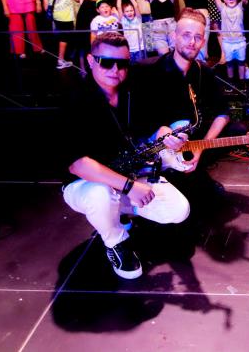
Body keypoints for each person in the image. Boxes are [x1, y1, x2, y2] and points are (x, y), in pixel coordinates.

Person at [61, 32, 190, 279]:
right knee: (100, 195)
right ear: (90, 60)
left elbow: (155, 128)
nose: (115, 70)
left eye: (122, 64)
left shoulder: (132, 90)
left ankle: (116, 213)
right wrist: (130, 187)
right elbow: (78, 165)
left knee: (178, 210)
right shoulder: (75, 99)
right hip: (86, 184)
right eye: (106, 62)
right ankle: (116, 241)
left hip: (129, 174)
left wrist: (167, 135)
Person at [133, 8, 243, 174]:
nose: (192, 42)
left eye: (197, 37)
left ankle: (192, 162)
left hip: (189, 137)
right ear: (173, 36)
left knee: (237, 130)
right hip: (158, 140)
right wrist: (159, 132)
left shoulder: (203, 72)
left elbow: (223, 111)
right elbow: (136, 118)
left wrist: (202, 146)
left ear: (203, 42)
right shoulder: (148, 70)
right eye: (186, 35)